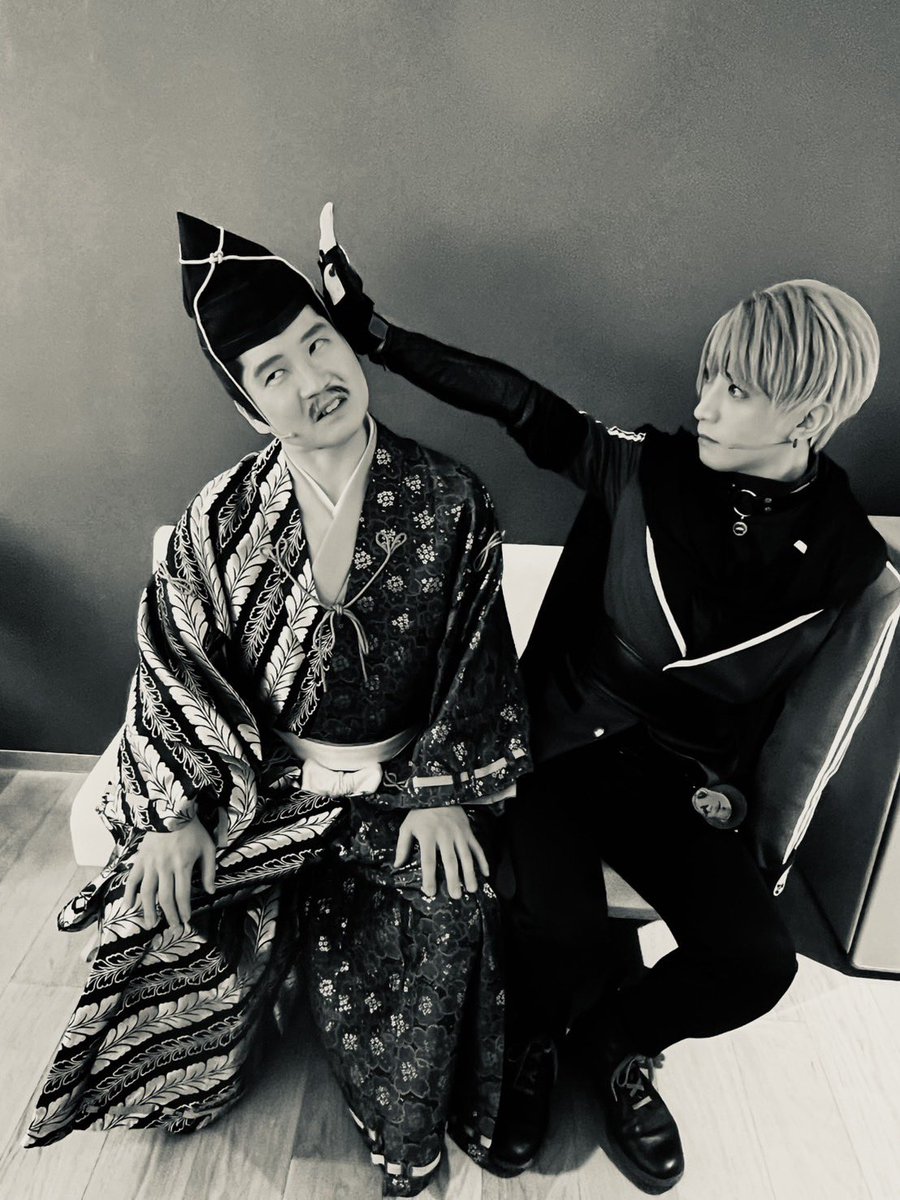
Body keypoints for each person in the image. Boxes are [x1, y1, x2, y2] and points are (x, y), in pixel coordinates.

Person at [313, 203, 893, 1193]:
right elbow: (517, 402)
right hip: (563, 744)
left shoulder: (851, 562)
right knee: (562, 930)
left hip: (681, 780)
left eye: (737, 389)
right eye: (710, 377)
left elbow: (804, 727)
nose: (705, 404)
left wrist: (755, 829)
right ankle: (533, 1042)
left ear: (805, 415)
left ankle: (617, 1042)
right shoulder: (643, 467)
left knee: (760, 963)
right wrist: (375, 334)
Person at [25, 213, 531, 1197]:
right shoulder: (217, 519)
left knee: (451, 904)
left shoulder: (451, 501)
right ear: (252, 409)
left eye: (319, 344)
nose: (312, 380)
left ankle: (401, 1115)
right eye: (274, 372)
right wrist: (173, 813)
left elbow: (479, 658)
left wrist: (441, 791)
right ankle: (217, 1045)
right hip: (263, 789)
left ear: (349, 344)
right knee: (157, 911)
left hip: (397, 788)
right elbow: (170, 663)